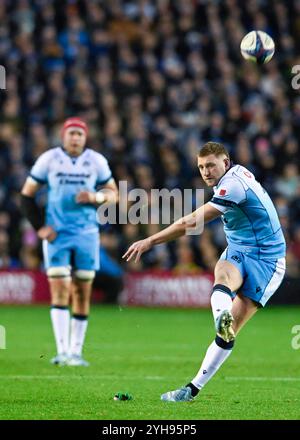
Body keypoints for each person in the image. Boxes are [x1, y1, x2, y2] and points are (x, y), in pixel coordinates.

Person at [123, 141, 286, 401]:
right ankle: (221, 321)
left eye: (211, 165)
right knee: (221, 278)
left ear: (226, 162)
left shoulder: (233, 185)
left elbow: (191, 222)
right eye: (201, 167)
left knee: (231, 331)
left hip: (268, 261)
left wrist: (150, 240)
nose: (206, 171)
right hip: (239, 248)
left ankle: (193, 387)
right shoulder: (237, 174)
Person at [20, 117, 118, 366]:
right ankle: (61, 351)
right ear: (63, 136)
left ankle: (76, 353)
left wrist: (95, 196)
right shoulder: (49, 159)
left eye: (79, 134)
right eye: (71, 133)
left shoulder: (96, 161)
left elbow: (113, 194)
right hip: (58, 234)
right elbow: (26, 195)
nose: (75, 138)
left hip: (86, 233)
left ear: (85, 138)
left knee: (82, 292)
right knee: (60, 290)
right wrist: (40, 226)